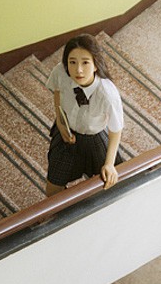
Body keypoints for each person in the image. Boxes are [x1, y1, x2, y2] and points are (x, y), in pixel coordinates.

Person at [45, 34, 124, 196]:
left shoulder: (107, 93)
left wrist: (109, 164)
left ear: (96, 65)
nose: (78, 70)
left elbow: (116, 130)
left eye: (85, 63)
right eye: (72, 62)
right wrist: (60, 121)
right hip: (67, 135)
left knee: (112, 187)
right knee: (52, 191)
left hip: (94, 139)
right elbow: (57, 90)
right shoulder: (61, 72)